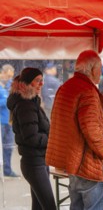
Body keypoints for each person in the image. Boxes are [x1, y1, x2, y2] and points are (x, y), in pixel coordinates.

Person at [45, 50, 103, 209]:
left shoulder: (65, 88)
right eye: (100, 68)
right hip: (89, 164)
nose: (101, 72)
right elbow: (91, 129)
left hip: (72, 163)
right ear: (93, 69)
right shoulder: (87, 91)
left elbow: (57, 122)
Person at [6, 67, 56, 210]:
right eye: (38, 81)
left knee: (39, 207)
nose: (42, 84)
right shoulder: (26, 105)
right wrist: (51, 138)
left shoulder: (32, 102)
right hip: (34, 164)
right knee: (49, 206)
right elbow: (31, 138)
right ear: (28, 83)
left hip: (39, 161)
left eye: (42, 81)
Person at [0, 65, 19, 177]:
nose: (9, 78)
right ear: (3, 73)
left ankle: (7, 170)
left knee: (8, 147)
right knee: (2, 147)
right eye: (8, 75)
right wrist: (7, 100)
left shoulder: (9, 85)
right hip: (1, 122)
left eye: (11, 76)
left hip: (9, 122)